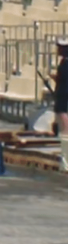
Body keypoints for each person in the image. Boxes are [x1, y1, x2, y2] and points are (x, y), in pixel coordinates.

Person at [53, 39, 68, 171]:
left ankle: (66, 162)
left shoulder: (66, 64)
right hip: (61, 97)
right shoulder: (63, 63)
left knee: (65, 132)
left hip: (64, 100)